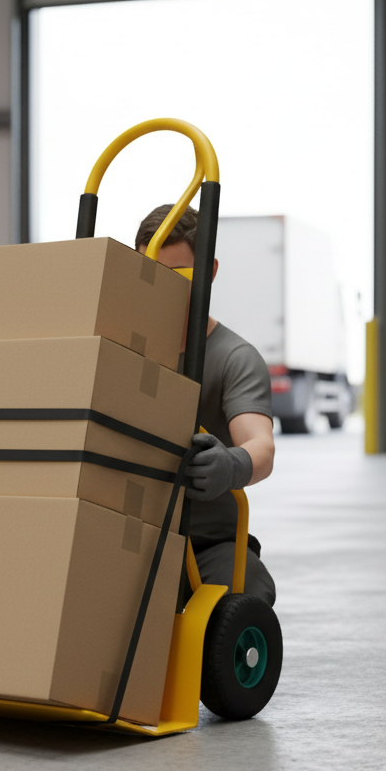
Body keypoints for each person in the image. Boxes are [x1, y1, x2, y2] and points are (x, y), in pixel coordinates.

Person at [135, 204, 277, 605]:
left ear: (209, 273)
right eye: (151, 274)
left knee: (244, 595)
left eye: (178, 276)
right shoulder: (120, 347)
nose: (163, 289)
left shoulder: (234, 358)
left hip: (205, 542)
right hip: (129, 533)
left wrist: (230, 465)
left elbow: (261, 448)